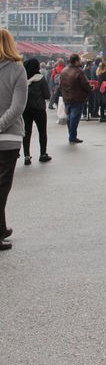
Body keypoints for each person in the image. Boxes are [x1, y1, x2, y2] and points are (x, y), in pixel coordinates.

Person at [0, 29, 28, 251]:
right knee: (2, 187)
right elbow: (17, 107)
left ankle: (2, 227)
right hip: (8, 138)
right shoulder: (17, 70)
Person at [22, 58, 51, 165]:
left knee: (26, 132)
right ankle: (43, 154)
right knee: (42, 132)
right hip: (39, 109)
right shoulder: (41, 79)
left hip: (26, 109)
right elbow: (47, 95)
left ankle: (26, 156)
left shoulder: (23, 79)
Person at [60, 53, 91, 144]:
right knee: (74, 118)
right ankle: (72, 136)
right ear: (76, 61)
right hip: (77, 98)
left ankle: (71, 135)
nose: (80, 61)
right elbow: (85, 84)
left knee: (70, 117)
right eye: (79, 60)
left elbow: (60, 84)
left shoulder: (63, 71)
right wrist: (90, 89)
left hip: (66, 97)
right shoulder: (78, 71)